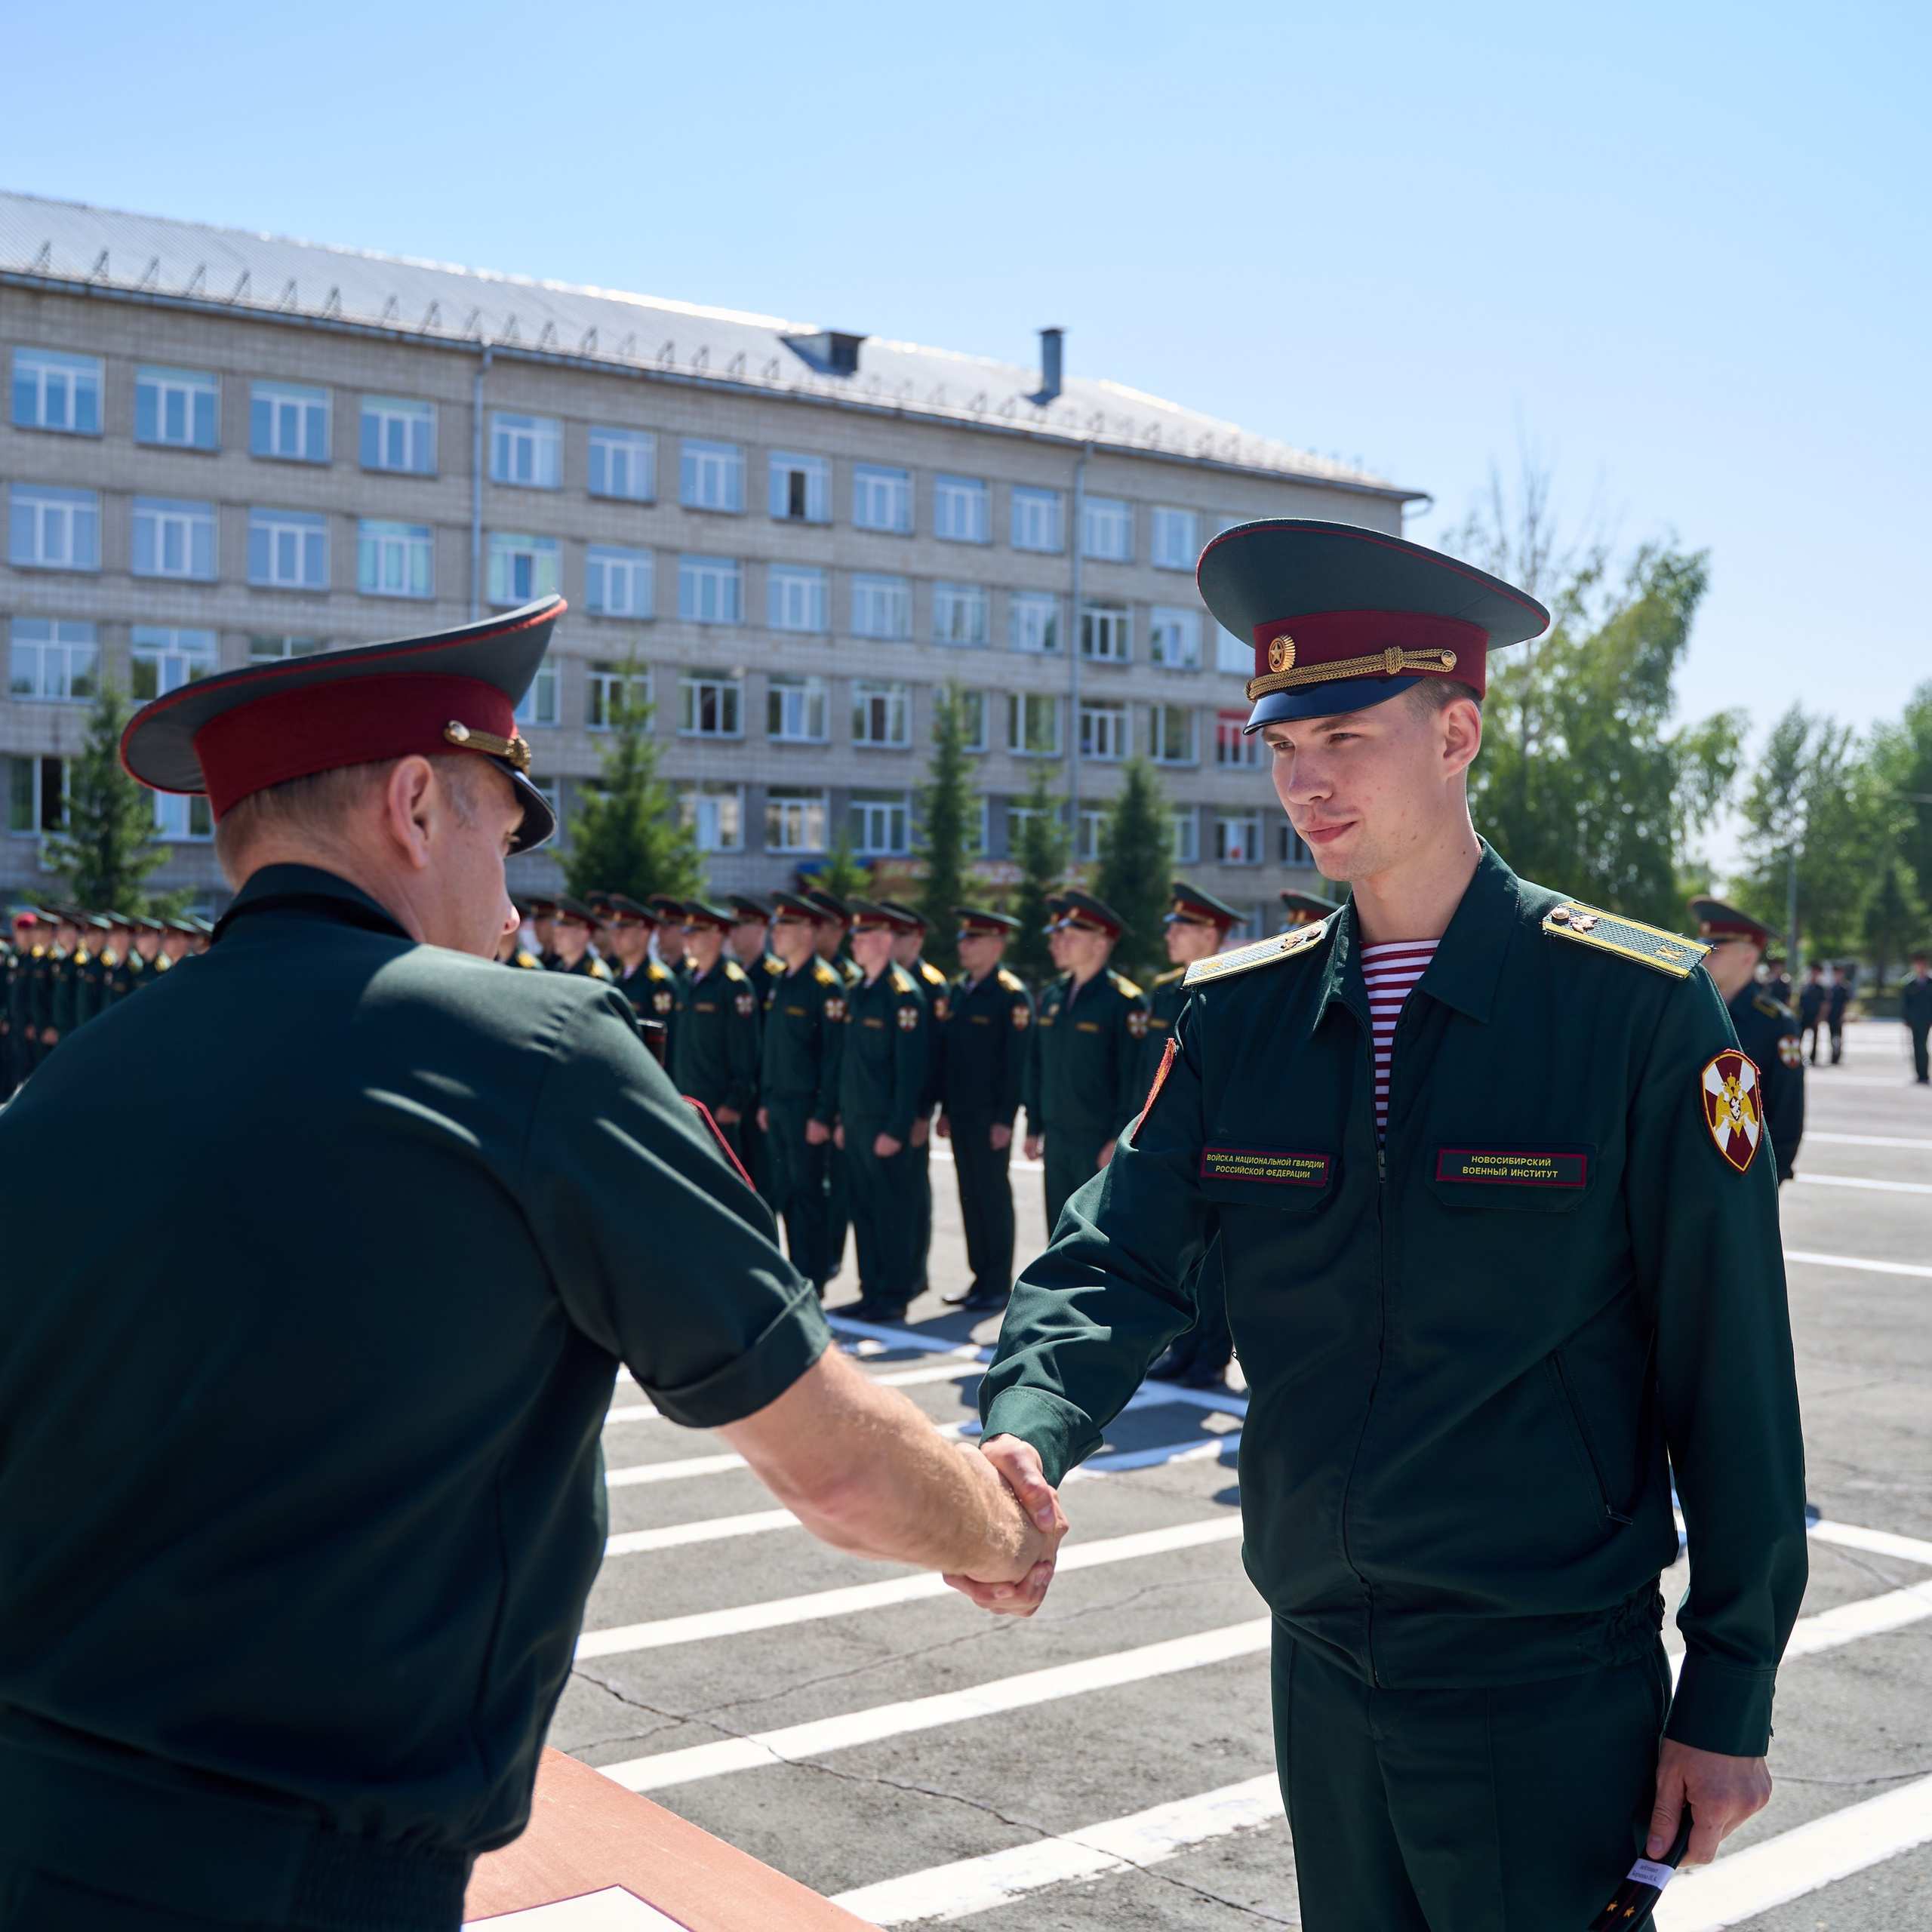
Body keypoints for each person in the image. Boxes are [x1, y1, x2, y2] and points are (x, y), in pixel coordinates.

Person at [0, 598, 1062, 1932]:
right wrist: (998, 1524)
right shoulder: (528, 1051)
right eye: (504, 842)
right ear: (415, 808)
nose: (510, 906)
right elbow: (837, 1469)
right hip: (284, 1874)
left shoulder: (74, 1079)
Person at [965, 518, 1807, 1930]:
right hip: (1321, 1659)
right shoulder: (1241, 1013)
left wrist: (1730, 1690)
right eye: (1281, 746)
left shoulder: (1636, 1012)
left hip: (1540, 1678)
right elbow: (1115, 1252)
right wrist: (1028, 1428)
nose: (1304, 782)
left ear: (1457, 729)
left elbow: (1733, 1377)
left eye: (1344, 736)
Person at [1143, 882, 1244, 1389]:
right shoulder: (1164, 990)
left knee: (1215, 1260)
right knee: (1177, 1249)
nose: (1170, 936)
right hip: (1172, 1139)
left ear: (1210, 933)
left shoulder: (1238, 985)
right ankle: (1182, 1347)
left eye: (1180, 927)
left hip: (1218, 1139)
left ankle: (1209, 1355)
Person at [1021, 890, 1149, 1232]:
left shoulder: (1124, 1002)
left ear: (1099, 944)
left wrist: (1117, 1139)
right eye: (1059, 935)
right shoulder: (1052, 996)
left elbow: (1133, 1079)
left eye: (1070, 936)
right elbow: (1037, 1066)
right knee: (1057, 1227)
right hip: (1057, 1132)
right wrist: (1033, 1125)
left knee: (1094, 1232)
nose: (1059, 942)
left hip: (1097, 1139)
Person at [836, 899, 928, 1322]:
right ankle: (870, 1289)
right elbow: (847, 1063)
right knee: (864, 1209)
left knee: (891, 1210)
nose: (855, 941)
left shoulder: (903, 996)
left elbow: (911, 1073)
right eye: (854, 934)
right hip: (855, 1121)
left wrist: (897, 1126)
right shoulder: (857, 991)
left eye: (865, 935)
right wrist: (839, 1117)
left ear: (887, 940)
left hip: (884, 1126)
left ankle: (893, 1293)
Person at [937, 909, 1035, 1313]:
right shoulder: (959, 991)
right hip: (959, 1114)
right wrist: (944, 1110)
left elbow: (1016, 1065)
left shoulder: (1011, 995)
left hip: (989, 1117)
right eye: (963, 939)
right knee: (969, 1195)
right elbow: (949, 1057)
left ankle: (997, 1282)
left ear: (996, 945)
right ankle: (979, 1277)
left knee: (992, 1197)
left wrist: (1004, 1119)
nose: (963, 945)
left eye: (972, 939)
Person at [756, 892, 847, 1294]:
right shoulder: (781, 980)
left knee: (809, 1195)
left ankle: (813, 1276)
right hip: (778, 1103)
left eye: (785, 926)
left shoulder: (823, 985)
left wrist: (823, 1114)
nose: (776, 934)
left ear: (808, 932)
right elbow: (772, 1047)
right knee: (783, 1191)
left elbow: (833, 1056)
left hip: (807, 1107)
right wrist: (764, 1099)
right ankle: (793, 1270)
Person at [1689, 897, 1804, 1182]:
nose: (1704, 955)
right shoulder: (1689, 1009)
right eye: (1702, 946)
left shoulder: (1776, 1023)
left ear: (1748, 957)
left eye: (1714, 949)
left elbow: (1787, 1109)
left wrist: (1771, 1178)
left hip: (1744, 1176)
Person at [881, 900, 949, 1295]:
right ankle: (893, 1273)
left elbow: (934, 1056)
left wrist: (925, 1111)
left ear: (917, 937)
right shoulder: (885, 982)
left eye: (901, 933)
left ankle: (914, 1271)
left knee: (910, 1191)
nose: (893, 941)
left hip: (914, 1110)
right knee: (888, 1195)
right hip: (884, 1107)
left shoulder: (930, 984)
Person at [670, 900, 761, 1157]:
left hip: (718, 1104)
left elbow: (745, 1047)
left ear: (714, 936)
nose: (686, 938)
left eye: (695, 932)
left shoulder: (733, 984)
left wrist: (735, 1101)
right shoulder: (687, 980)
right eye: (686, 931)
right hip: (687, 1099)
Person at [603, 894, 678, 1044]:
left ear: (644, 935)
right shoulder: (618, 977)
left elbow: (664, 1042)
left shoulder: (659, 982)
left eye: (623, 931)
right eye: (615, 931)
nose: (616, 936)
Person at [545, 894, 611, 981]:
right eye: (556, 933)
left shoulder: (595, 976)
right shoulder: (559, 968)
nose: (557, 937)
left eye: (563, 933)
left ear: (584, 934)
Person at [1905, 950, 1932, 1084]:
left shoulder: (1930, 983)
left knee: (1923, 1046)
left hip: (1927, 1019)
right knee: (1915, 1046)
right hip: (1914, 1020)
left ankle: (1924, 1074)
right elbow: (1906, 1004)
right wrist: (1906, 1019)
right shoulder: (1911, 984)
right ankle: (1918, 1073)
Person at [1798, 961, 1826, 1062]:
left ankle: (1813, 1058)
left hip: (1815, 1016)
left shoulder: (1821, 989)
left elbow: (1824, 1004)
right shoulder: (1805, 987)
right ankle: (1799, 1056)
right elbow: (1798, 1002)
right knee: (1800, 1037)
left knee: (1815, 1039)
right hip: (1804, 1016)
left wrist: (1821, 1017)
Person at [1826, 963, 1851, 1063]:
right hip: (1831, 1016)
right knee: (1831, 1036)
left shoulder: (1844, 988)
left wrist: (1844, 1015)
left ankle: (1837, 1056)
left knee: (1837, 1037)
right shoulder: (1831, 988)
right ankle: (1832, 1055)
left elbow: (1846, 1003)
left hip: (1839, 1016)